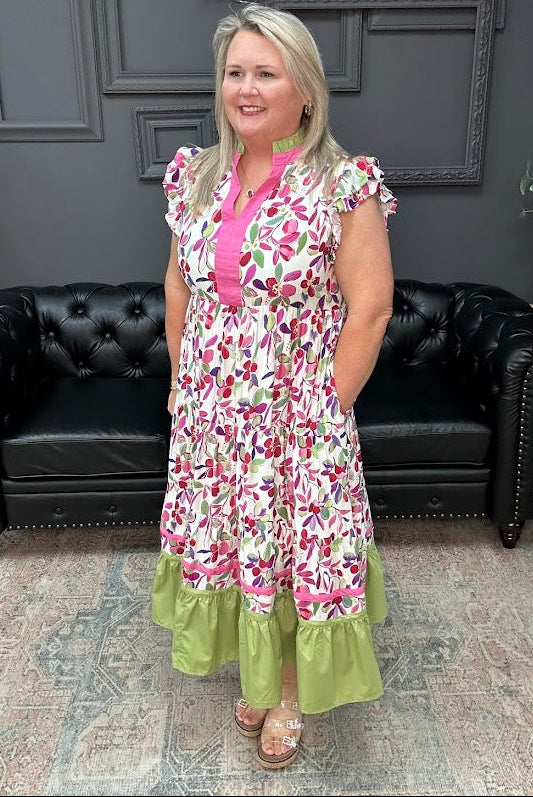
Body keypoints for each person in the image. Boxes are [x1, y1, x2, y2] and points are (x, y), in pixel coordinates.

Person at [152, 2, 397, 770]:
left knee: (291, 553)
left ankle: (287, 690)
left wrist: (328, 409)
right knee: (233, 545)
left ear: (305, 90)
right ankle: (258, 671)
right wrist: (179, 383)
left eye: (265, 72)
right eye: (235, 73)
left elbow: (371, 307)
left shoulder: (341, 185)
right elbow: (178, 287)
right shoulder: (196, 175)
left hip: (297, 419)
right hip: (211, 417)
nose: (246, 89)